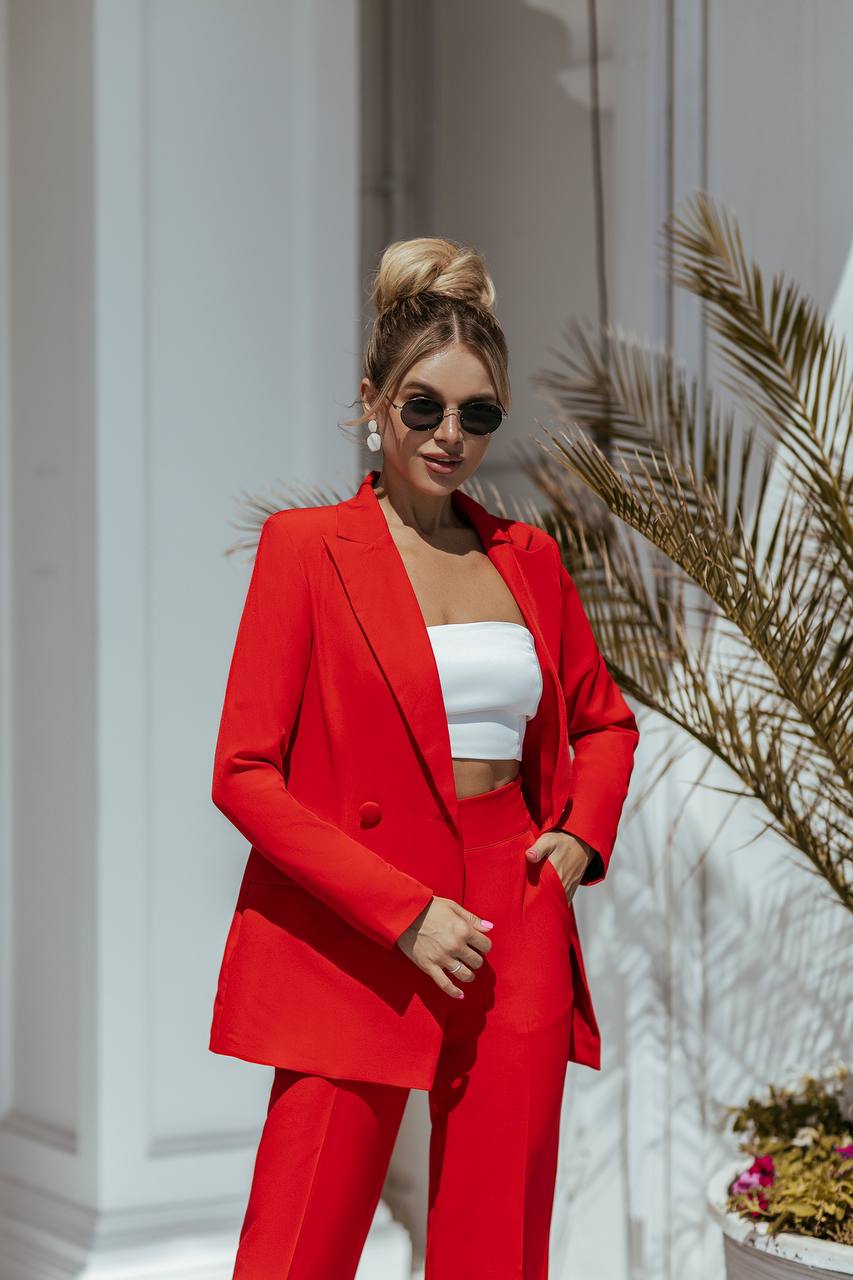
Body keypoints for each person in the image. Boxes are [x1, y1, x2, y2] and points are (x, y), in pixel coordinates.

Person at [208, 236, 640, 1278]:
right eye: (423, 406)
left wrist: (577, 836)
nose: (451, 435)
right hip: (364, 912)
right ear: (373, 400)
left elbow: (605, 722)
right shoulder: (306, 550)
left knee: (498, 1247)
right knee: (296, 1246)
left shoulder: (524, 557)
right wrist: (401, 911)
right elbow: (242, 770)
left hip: (513, 905)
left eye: (477, 413)